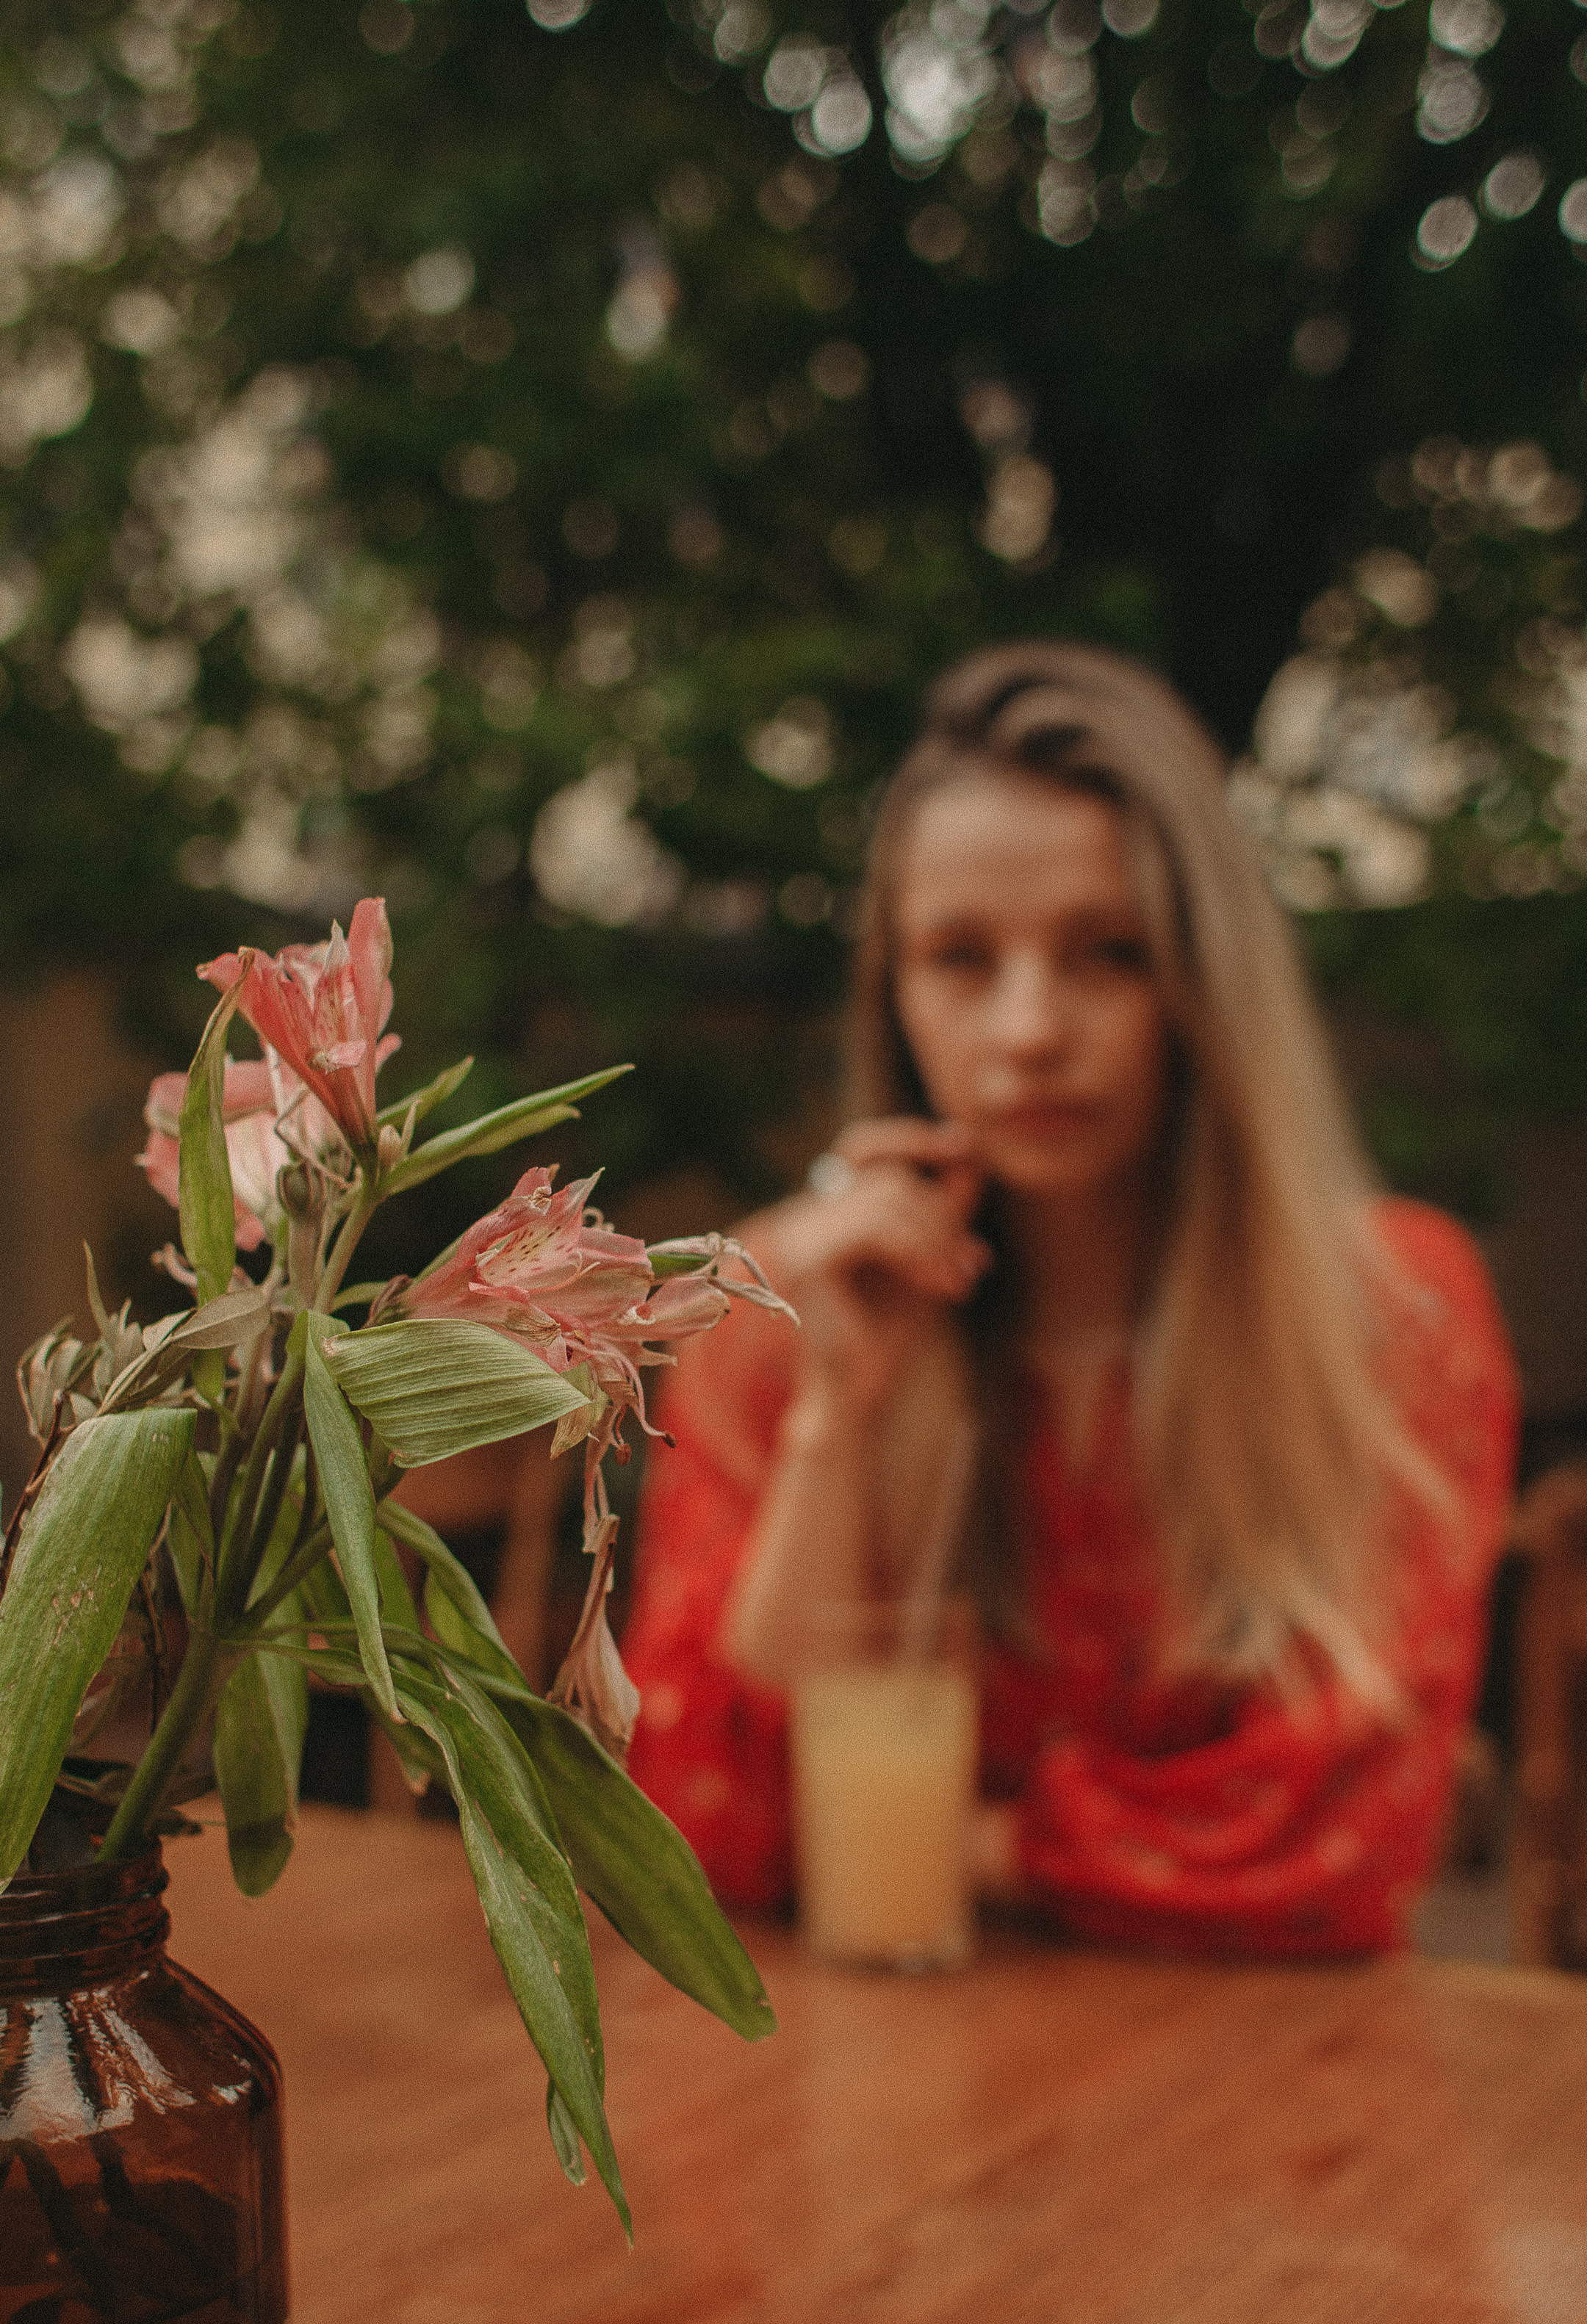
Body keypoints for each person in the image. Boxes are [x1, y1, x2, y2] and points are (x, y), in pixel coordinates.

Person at [623, 644, 1519, 1957]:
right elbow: (702, 1833)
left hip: (1284, 2098)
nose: (1031, 1028)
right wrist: (836, 1425)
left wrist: (936, 1840)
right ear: (897, 995)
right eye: (962, 959)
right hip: (869, 2089)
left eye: (1108, 952)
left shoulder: (1392, 1316)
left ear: (1202, 981)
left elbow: (1342, 1853)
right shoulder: (775, 1312)